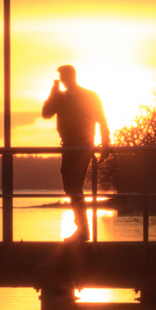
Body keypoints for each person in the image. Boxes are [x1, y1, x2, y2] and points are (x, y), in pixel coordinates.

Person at [41, 64, 111, 241]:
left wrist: (105, 144)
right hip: (71, 146)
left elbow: (101, 120)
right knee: (72, 187)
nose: (62, 80)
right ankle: (82, 228)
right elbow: (46, 113)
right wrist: (53, 93)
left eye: (62, 77)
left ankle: (83, 229)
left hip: (81, 146)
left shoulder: (88, 96)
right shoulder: (62, 97)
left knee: (73, 186)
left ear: (70, 76)